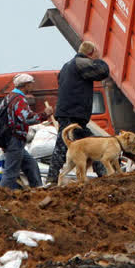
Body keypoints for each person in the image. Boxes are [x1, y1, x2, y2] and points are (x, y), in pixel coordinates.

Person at [45, 41, 110, 184]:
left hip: (71, 113)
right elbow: (103, 72)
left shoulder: (67, 66)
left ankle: (103, 175)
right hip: (72, 113)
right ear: (90, 53)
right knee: (62, 146)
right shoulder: (81, 63)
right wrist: (98, 58)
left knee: (92, 144)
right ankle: (52, 178)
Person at [0, 73, 53, 190]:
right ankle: (3, 195)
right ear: (25, 85)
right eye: (31, 84)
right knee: (11, 171)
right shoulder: (19, 99)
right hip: (15, 139)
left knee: (31, 164)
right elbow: (27, 118)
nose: (32, 87)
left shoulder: (9, 97)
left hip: (10, 138)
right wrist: (44, 114)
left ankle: (37, 189)